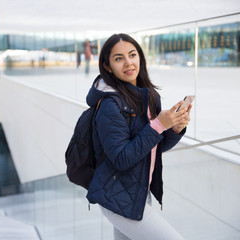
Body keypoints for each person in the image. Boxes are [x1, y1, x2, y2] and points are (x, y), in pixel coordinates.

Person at [86, 33, 192, 240]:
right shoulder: (110, 104)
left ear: (140, 57)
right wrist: (159, 124)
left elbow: (153, 147)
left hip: (139, 192)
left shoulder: (149, 96)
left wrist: (174, 128)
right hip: (117, 196)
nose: (128, 63)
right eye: (118, 58)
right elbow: (121, 158)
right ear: (107, 66)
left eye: (132, 55)